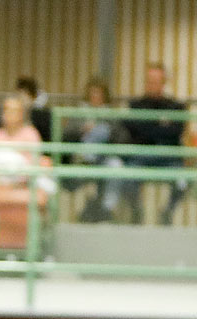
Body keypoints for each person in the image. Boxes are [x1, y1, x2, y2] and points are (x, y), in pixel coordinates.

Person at [125, 61, 188, 224]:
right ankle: (137, 211)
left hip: (169, 157)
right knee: (126, 176)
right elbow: (136, 132)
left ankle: (167, 212)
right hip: (141, 155)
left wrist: (149, 128)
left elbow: (175, 132)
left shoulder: (176, 107)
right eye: (149, 81)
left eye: (156, 81)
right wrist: (160, 127)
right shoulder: (135, 106)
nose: (152, 85)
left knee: (184, 180)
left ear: (163, 83)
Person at [63, 76, 131, 223]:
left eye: (99, 93)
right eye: (93, 93)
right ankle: (89, 157)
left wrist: (104, 131)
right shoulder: (78, 114)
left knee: (116, 166)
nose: (96, 97)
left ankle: (107, 208)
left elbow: (121, 136)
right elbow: (66, 134)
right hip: (81, 158)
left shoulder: (111, 115)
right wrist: (82, 130)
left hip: (105, 157)